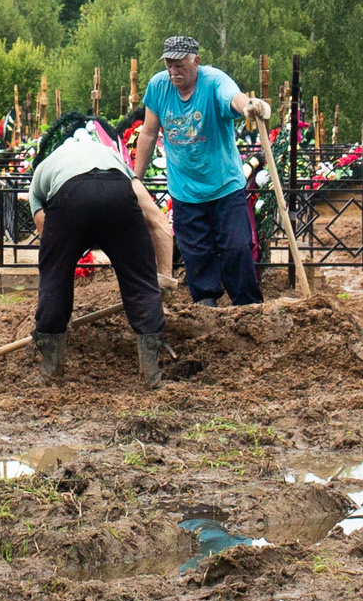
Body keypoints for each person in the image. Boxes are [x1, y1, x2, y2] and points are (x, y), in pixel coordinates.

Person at [129, 36, 272, 307]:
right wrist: (136, 177)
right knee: (196, 254)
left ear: (196, 61)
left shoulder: (214, 81)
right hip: (185, 192)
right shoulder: (158, 86)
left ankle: (248, 307)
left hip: (225, 188)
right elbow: (148, 133)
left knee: (236, 248)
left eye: (180, 65)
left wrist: (250, 107)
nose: (173, 71)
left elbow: (234, 98)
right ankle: (206, 306)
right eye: (169, 64)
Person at [28, 116, 170, 386]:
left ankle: (50, 372)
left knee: (54, 279)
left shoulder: (42, 172)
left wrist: (55, 310)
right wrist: (162, 279)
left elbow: (47, 237)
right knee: (140, 281)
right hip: (117, 191)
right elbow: (157, 221)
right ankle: (152, 374)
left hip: (69, 195)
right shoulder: (114, 158)